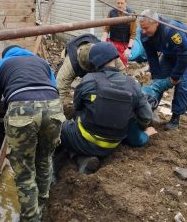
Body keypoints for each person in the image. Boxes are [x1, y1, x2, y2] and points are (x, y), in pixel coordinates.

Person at [0, 45, 65, 221]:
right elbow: (55, 90)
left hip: (22, 111)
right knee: (44, 160)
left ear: (5, 55)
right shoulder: (42, 62)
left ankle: (31, 218)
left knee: (24, 171)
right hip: (54, 110)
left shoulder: (2, 64)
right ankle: (42, 208)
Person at [60, 42, 155, 173]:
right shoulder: (133, 84)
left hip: (84, 139)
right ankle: (84, 159)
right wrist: (141, 129)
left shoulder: (89, 79)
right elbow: (146, 115)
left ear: (94, 62)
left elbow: (77, 107)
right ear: (115, 58)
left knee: (58, 128)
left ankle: (79, 157)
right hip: (112, 145)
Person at [138, 10, 187, 131]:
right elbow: (151, 55)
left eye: (146, 28)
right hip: (168, 53)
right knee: (158, 81)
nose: (143, 32)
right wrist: (155, 75)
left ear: (156, 23)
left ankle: (176, 118)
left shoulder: (171, 31)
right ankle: (149, 111)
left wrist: (175, 76)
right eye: (142, 28)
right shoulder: (144, 33)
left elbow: (184, 53)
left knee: (181, 84)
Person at [56, 33, 124, 104]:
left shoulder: (105, 52)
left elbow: (122, 73)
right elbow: (60, 90)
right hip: (72, 59)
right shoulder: (69, 65)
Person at [101, 0, 137, 66]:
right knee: (109, 64)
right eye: (118, 3)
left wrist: (129, 49)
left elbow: (133, 34)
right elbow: (106, 30)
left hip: (123, 45)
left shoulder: (131, 15)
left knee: (122, 67)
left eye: (122, 3)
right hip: (112, 43)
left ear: (125, 3)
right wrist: (103, 42)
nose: (120, 5)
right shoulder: (111, 13)